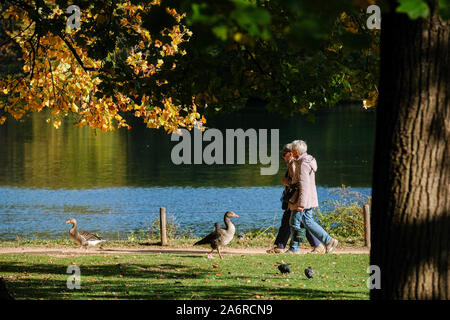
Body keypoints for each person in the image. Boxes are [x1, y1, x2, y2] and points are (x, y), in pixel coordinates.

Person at [267, 143, 325, 254]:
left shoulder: (294, 164)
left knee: (300, 222)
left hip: (296, 199)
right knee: (290, 221)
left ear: (290, 154)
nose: (283, 157)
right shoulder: (293, 163)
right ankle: (281, 246)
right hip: (294, 199)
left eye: (284, 154)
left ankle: (317, 244)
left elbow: (298, 183)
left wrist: (286, 182)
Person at [286, 140, 338, 254]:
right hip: (308, 198)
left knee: (294, 222)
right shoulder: (304, 160)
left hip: (302, 199)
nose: (292, 152)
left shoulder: (303, 164)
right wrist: (290, 160)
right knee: (307, 221)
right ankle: (329, 240)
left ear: (297, 151)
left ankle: (294, 249)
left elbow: (304, 185)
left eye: (293, 150)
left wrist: (301, 204)